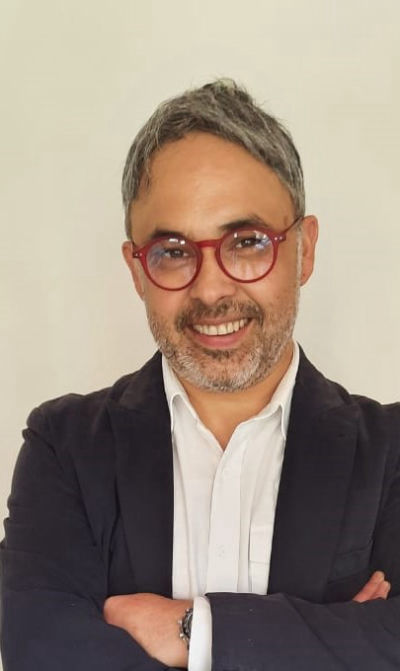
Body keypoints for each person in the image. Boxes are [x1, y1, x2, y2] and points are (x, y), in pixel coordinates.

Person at [1, 79, 399, 671]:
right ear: (136, 271)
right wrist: (327, 637)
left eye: (247, 242)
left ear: (305, 250)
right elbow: (39, 651)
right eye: (172, 251)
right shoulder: (65, 447)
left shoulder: (391, 452)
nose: (211, 290)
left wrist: (196, 630)